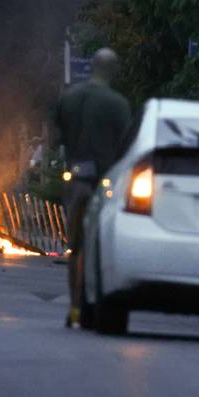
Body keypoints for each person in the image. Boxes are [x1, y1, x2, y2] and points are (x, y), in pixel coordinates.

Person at [55, 48, 131, 329]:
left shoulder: (69, 98)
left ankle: (74, 309)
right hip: (104, 185)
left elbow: (59, 137)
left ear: (91, 67)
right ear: (113, 70)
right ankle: (94, 303)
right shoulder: (119, 104)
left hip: (76, 181)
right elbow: (125, 146)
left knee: (74, 247)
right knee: (99, 246)